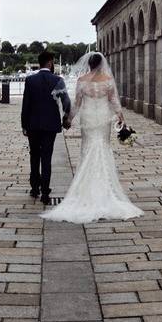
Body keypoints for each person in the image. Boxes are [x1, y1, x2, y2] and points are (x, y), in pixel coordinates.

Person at [42, 52, 143, 223]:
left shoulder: (82, 81)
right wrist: (121, 117)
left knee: (87, 149)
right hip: (103, 118)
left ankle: (85, 189)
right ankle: (105, 188)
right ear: (101, 64)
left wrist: (68, 119)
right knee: (103, 147)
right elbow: (113, 101)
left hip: (88, 117)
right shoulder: (108, 80)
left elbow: (77, 103)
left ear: (88, 64)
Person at [21, 51, 72, 205]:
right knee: (47, 157)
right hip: (50, 125)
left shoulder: (30, 80)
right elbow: (66, 102)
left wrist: (24, 125)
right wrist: (66, 118)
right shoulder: (58, 80)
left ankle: (35, 188)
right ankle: (45, 192)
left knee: (34, 155)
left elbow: (26, 105)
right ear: (49, 63)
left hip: (33, 125)